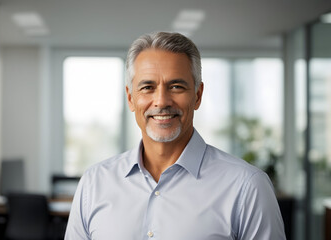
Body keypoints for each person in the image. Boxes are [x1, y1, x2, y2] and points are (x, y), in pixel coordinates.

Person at [65, 32, 286, 240]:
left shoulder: (247, 187)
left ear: (197, 96)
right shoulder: (94, 183)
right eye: (148, 87)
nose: (161, 101)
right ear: (131, 98)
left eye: (176, 86)